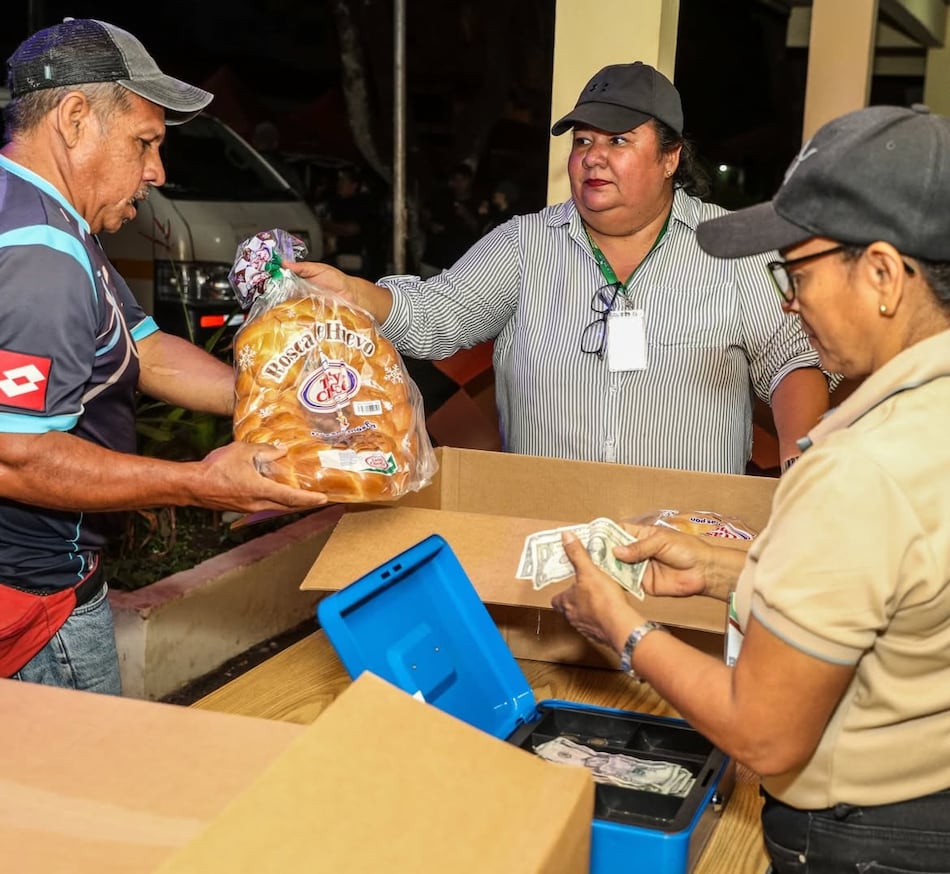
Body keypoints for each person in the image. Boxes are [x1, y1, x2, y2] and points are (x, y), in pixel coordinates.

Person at [552, 104, 950, 872]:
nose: (789, 303)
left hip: (862, 838)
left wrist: (624, 628)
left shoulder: (859, 471)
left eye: (798, 274)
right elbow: (895, 587)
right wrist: (724, 571)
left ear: (882, 274)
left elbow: (764, 735)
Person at [289, 61, 830, 474]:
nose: (593, 156)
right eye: (583, 141)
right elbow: (436, 314)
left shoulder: (734, 248)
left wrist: (798, 464)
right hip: (544, 530)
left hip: (685, 530)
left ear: (670, 158)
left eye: (618, 140)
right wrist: (356, 293)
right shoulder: (525, 246)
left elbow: (794, 359)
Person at [0, 18, 328, 695]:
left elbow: (146, 349)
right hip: (37, 602)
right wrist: (201, 483)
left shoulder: (45, 217)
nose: (157, 171)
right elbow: (18, 456)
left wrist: (282, 397)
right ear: (74, 118)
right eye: (144, 143)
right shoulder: (41, 252)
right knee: (89, 765)